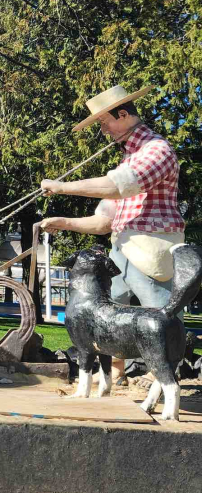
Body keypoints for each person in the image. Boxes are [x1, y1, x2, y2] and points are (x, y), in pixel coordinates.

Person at [39, 84, 185, 384]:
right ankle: (116, 372)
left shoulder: (157, 150)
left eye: (104, 122)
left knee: (159, 311)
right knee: (108, 315)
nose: (103, 130)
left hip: (151, 250)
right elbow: (104, 221)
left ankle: (164, 378)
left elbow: (117, 186)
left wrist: (63, 186)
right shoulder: (128, 160)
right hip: (122, 252)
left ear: (123, 115)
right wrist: (64, 222)